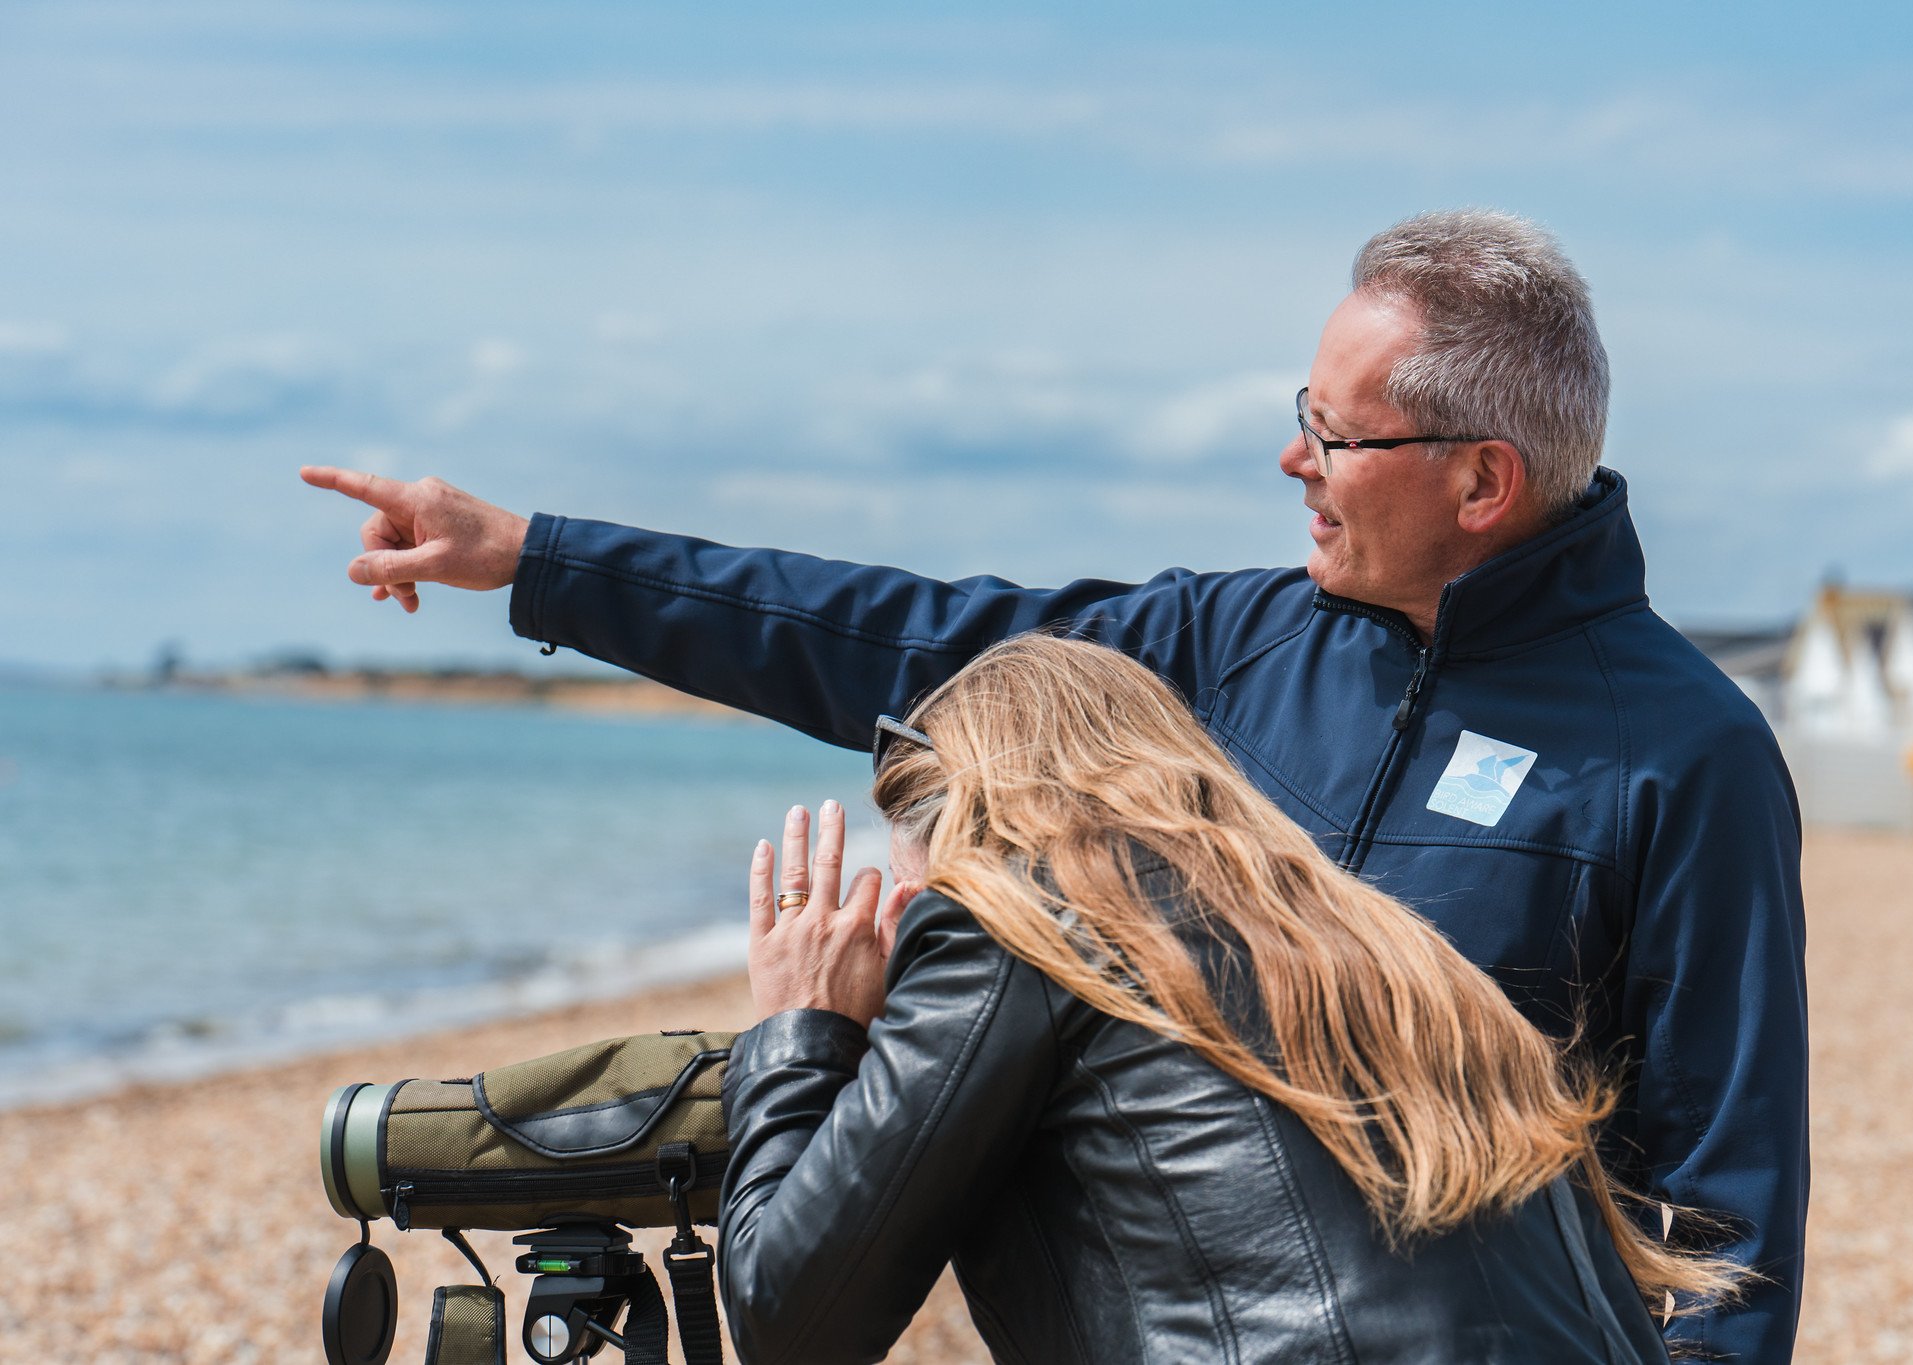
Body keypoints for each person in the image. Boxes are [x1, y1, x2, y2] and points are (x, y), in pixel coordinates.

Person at [301, 209, 1807, 1359]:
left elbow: (1724, 1209)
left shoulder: (1680, 755)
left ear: (1481, 482)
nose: (1293, 459)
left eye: (1337, 436)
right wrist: (540, 562)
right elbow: (913, 643)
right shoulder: (1223, 645)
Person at [721, 633, 1739, 1363]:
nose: (906, 908)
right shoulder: (1392, 952)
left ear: (973, 821)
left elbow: (789, 1321)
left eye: (916, 874)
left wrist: (800, 1024)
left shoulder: (1015, 913)